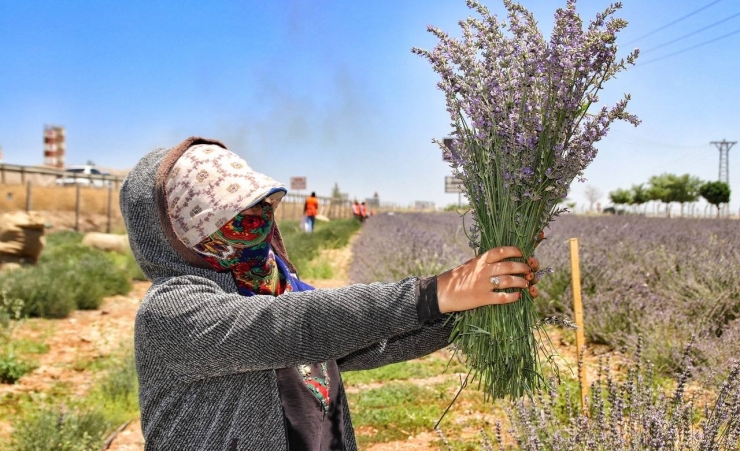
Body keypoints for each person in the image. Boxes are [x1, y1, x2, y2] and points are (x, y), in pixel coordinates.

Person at [120, 136, 541, 450]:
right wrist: (434, 293)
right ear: (175, 231)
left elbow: (361, 345)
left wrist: (473, 307)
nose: (256, 224)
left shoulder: (274, 285)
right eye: (231, 216)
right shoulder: (172, 310)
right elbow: (292, 327)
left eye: (261, 208)